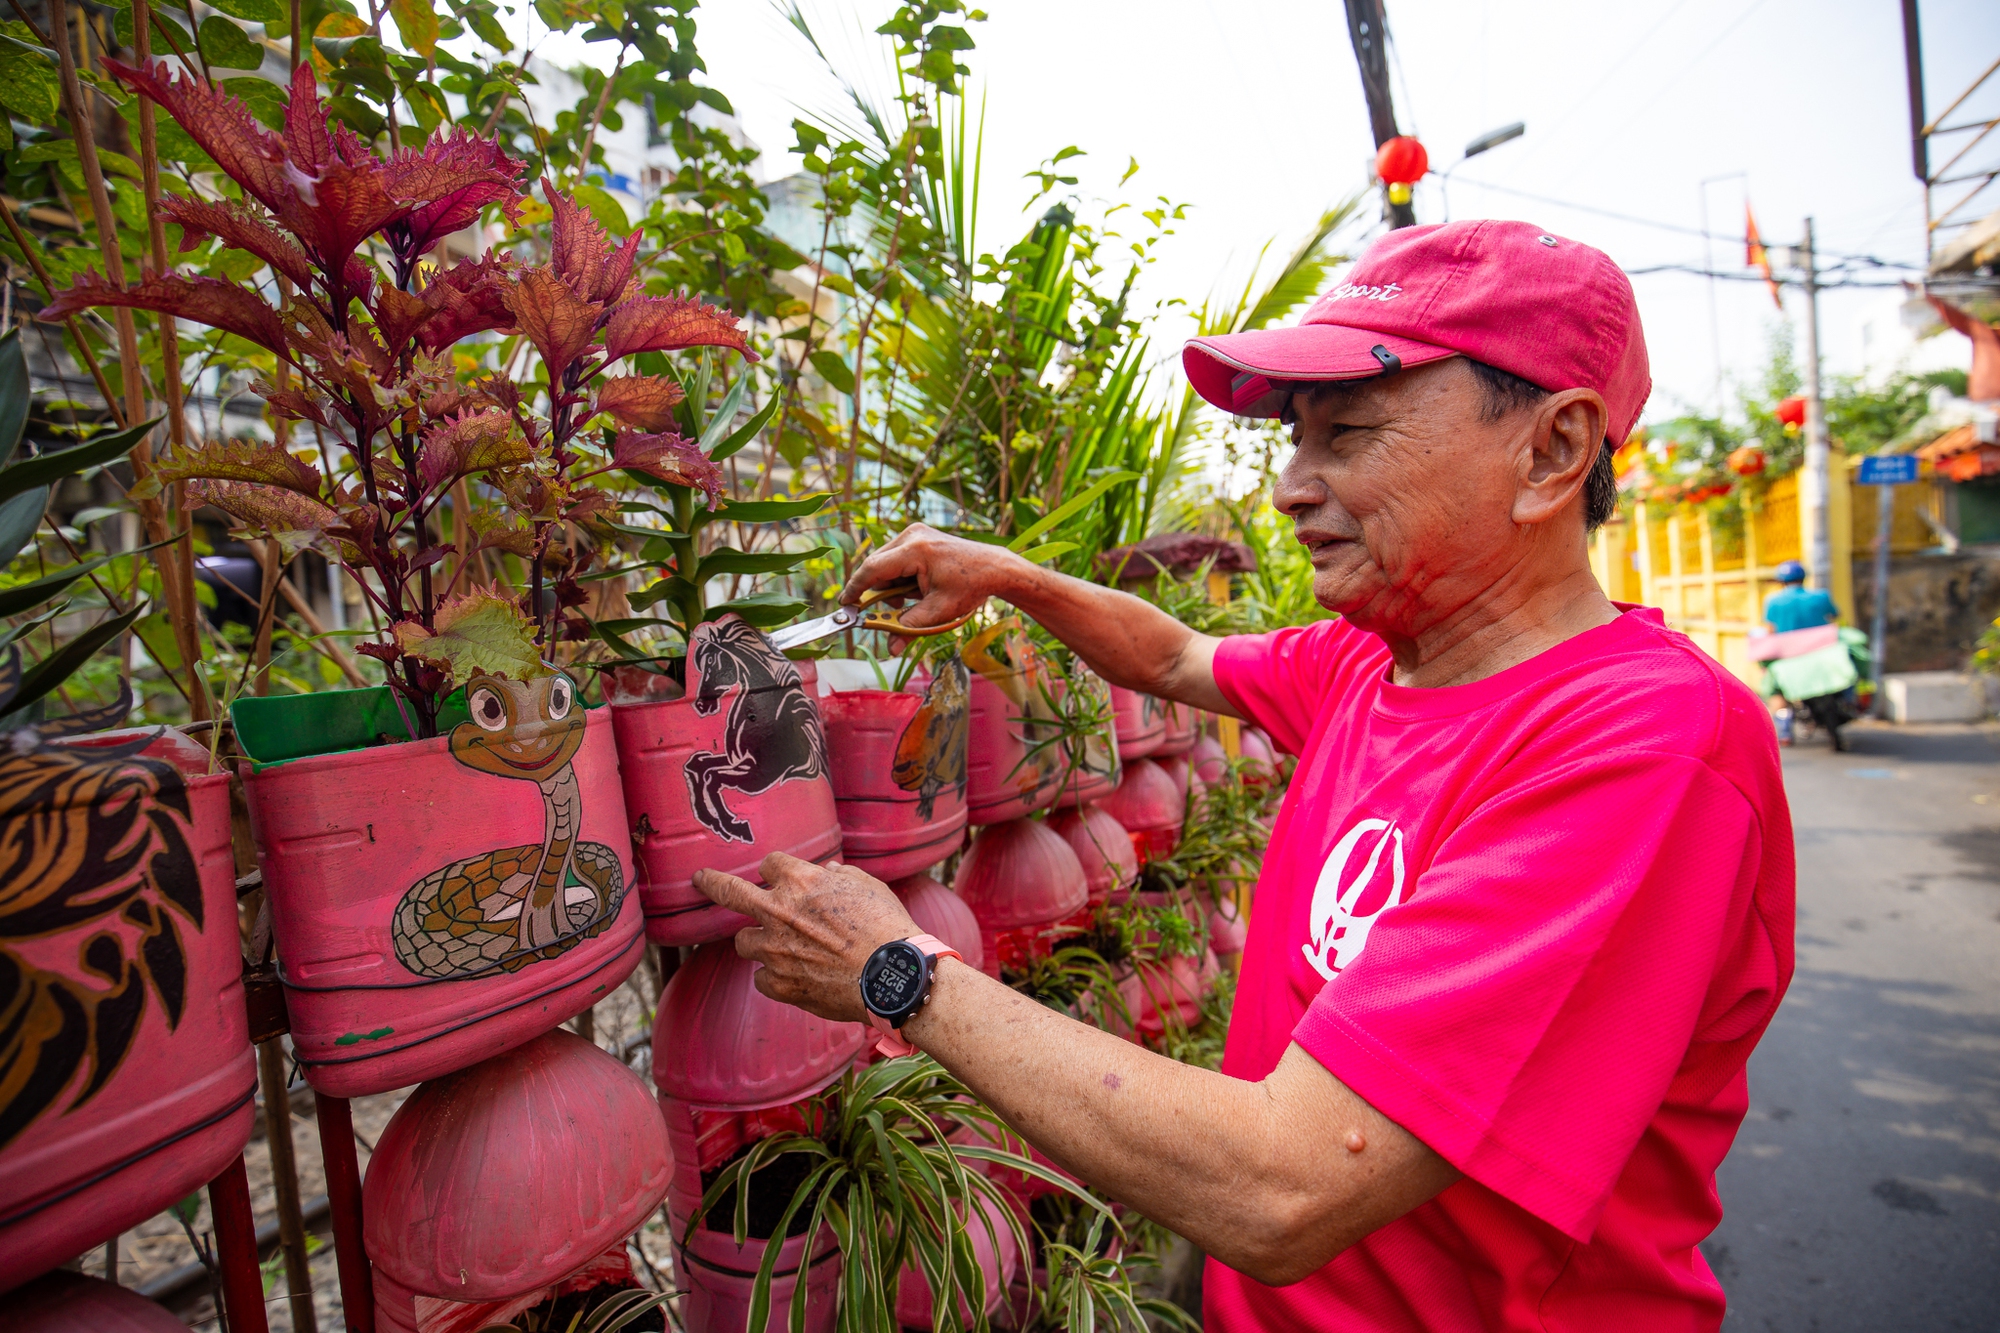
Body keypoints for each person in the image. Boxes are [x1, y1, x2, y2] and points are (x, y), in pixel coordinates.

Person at [692, 220, 1795, 1331]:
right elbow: (1172, 654)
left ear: (1552, 450)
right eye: (1294, 441)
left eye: (1347, 434)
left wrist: (895, 970)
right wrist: (1004, 575)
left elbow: (1288, 1184)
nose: (1287, 488)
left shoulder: (1639, 749)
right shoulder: (1376, 660)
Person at [1762, 560, 1838, 633]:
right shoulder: (1822, 596)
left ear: (1781, 581)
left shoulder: (1772, 601)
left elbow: (1770, 629)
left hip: (1788, 645)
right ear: (1803, 578)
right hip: (1820, 645)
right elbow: (1835, 617)